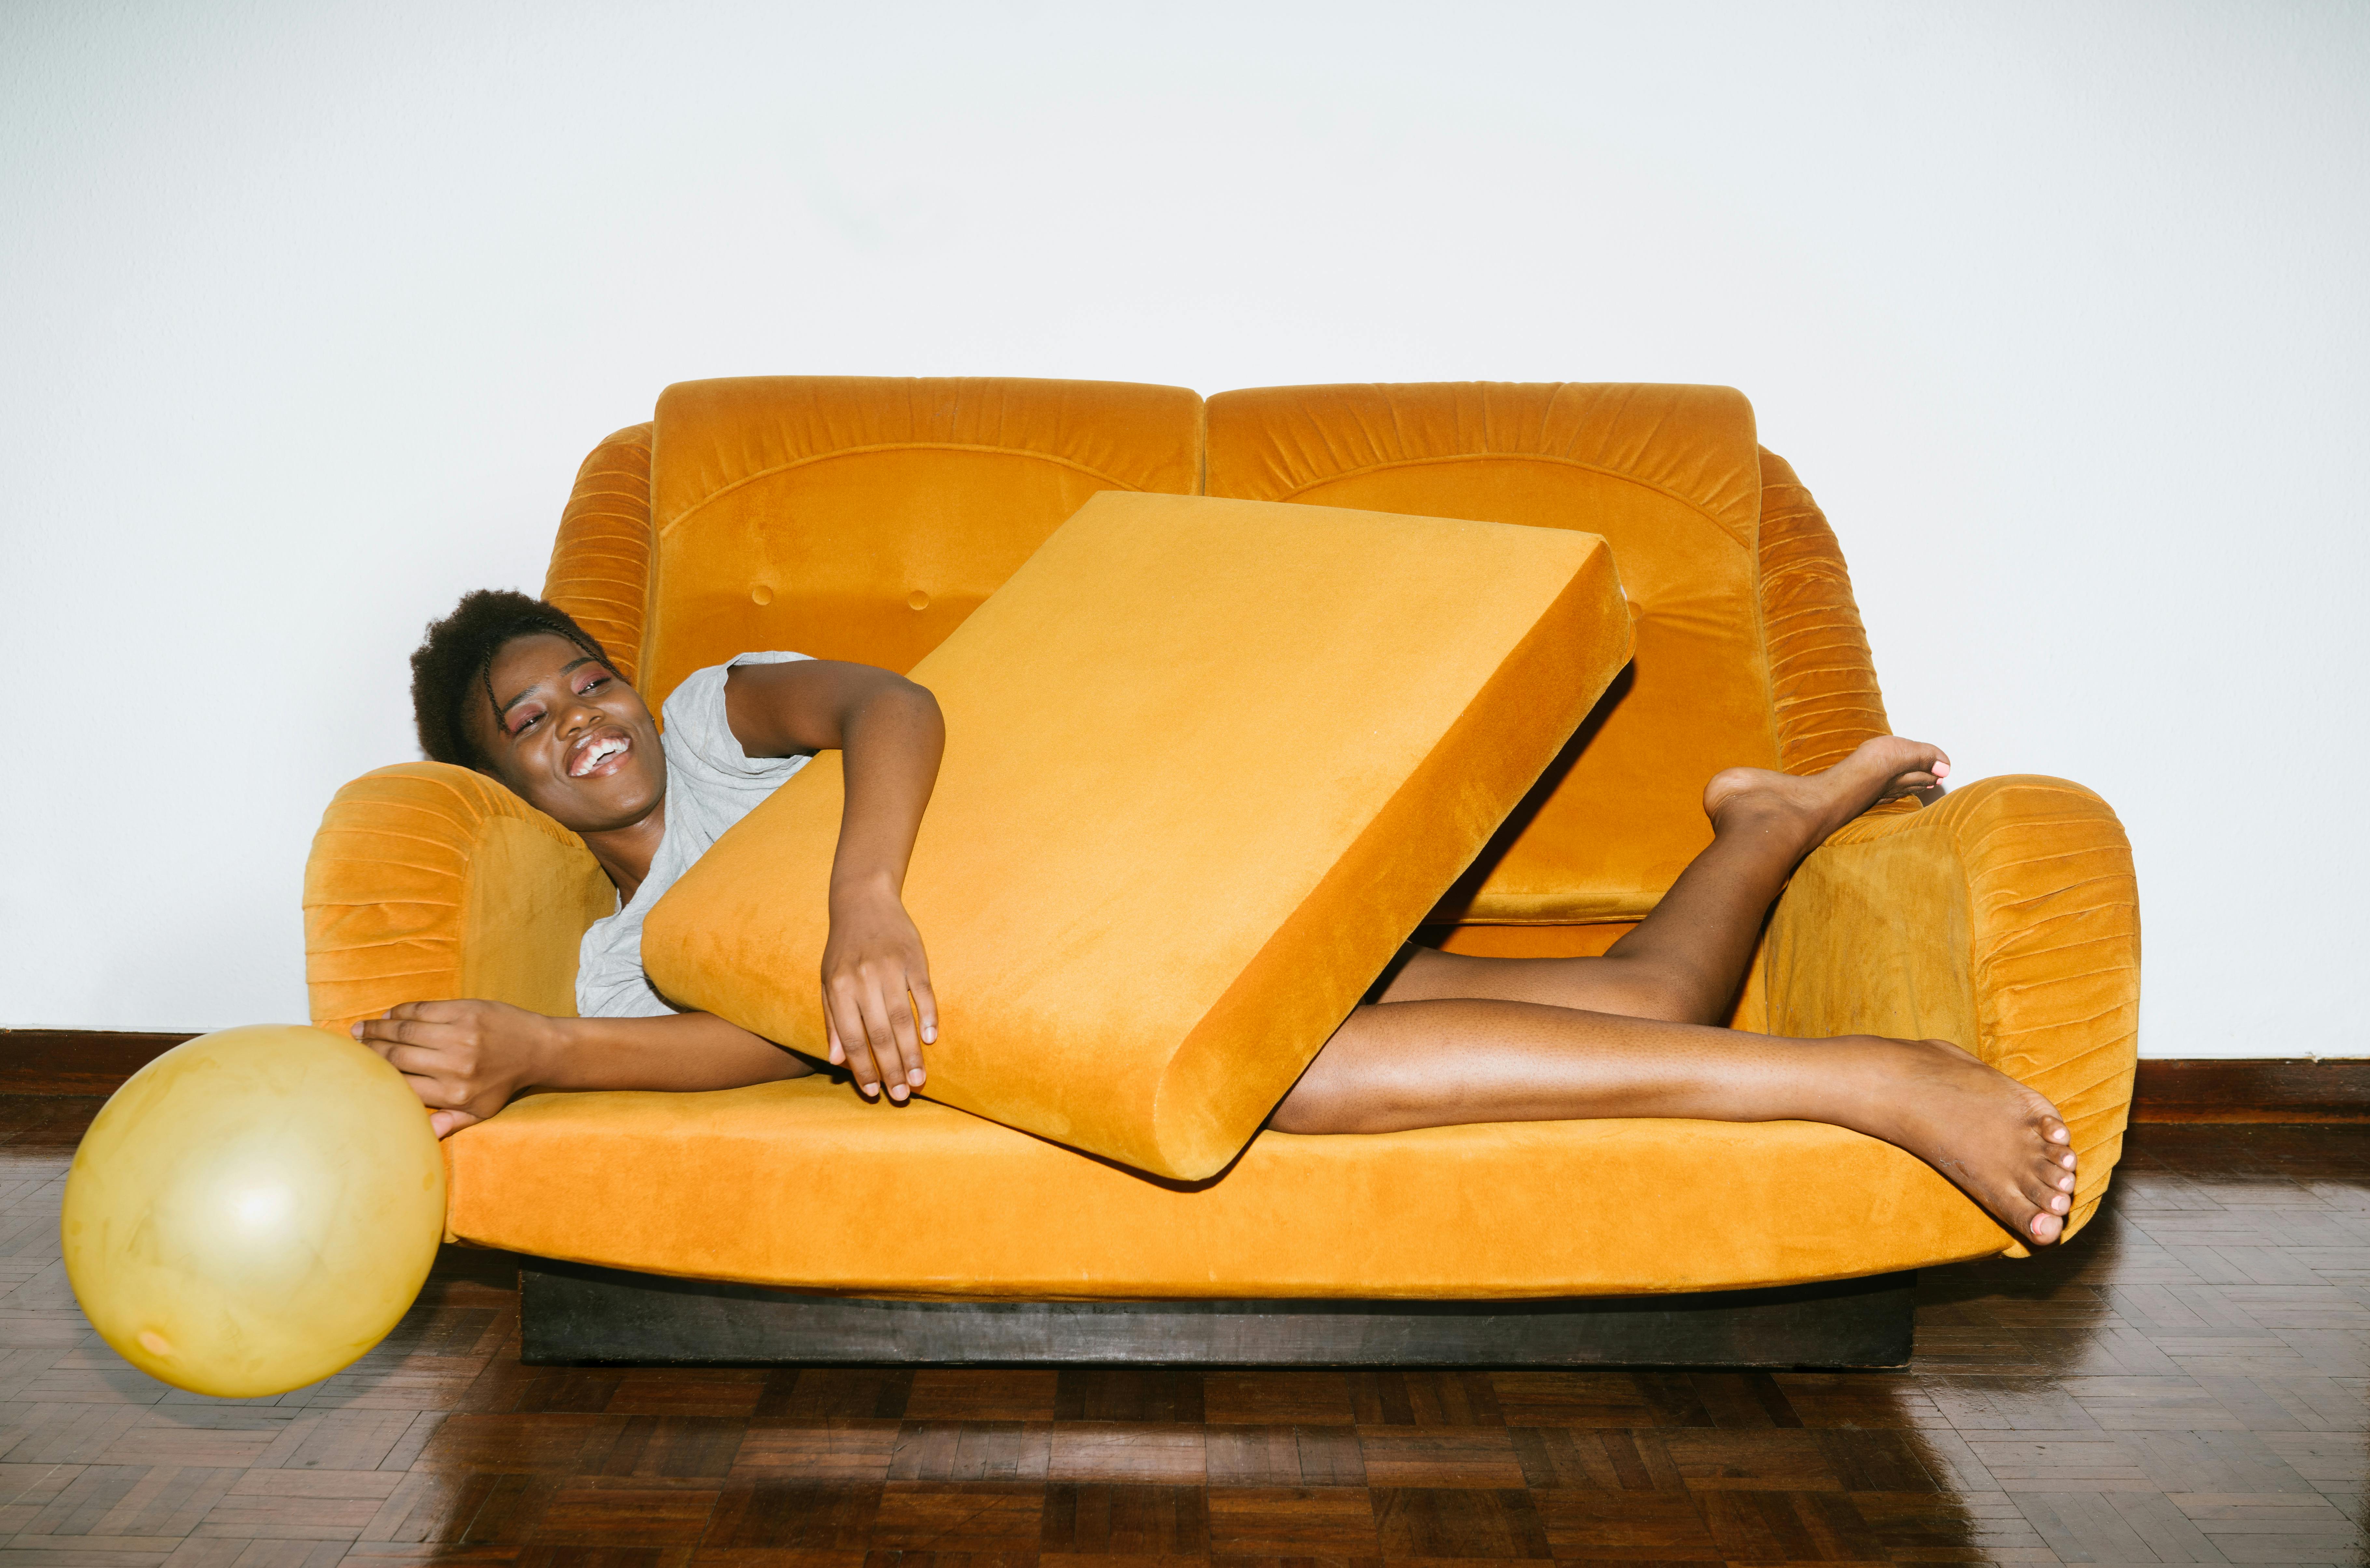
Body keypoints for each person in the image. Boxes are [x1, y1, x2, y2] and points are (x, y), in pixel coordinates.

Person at [357, 590, 2081, 1245]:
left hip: (1142, 881)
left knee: (1296, 1071)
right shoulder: (617, 957)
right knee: (1640, 1011)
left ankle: (1872, 1079)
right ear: (499, 783)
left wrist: (863, 902)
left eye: (583, 675)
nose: (582, 716)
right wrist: (537, 1046)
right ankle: (1766, 825)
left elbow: (894, 706)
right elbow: (743, 1048)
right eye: (532, 722)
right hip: (1080, 1002)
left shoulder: (720, 711)